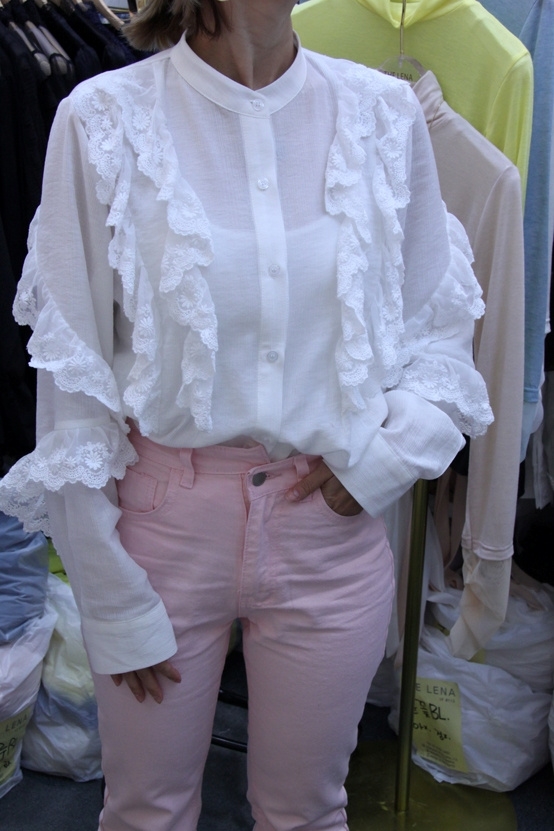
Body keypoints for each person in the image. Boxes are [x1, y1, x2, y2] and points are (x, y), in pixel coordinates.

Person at [0, 1, 493, 829]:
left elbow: (436, 328)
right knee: (147, 812)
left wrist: (385, 458)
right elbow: (73, 380)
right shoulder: (103, 119)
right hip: (161, 530)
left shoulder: (382, 113)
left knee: (308, 812)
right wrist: (108, 593)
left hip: (327, 526)